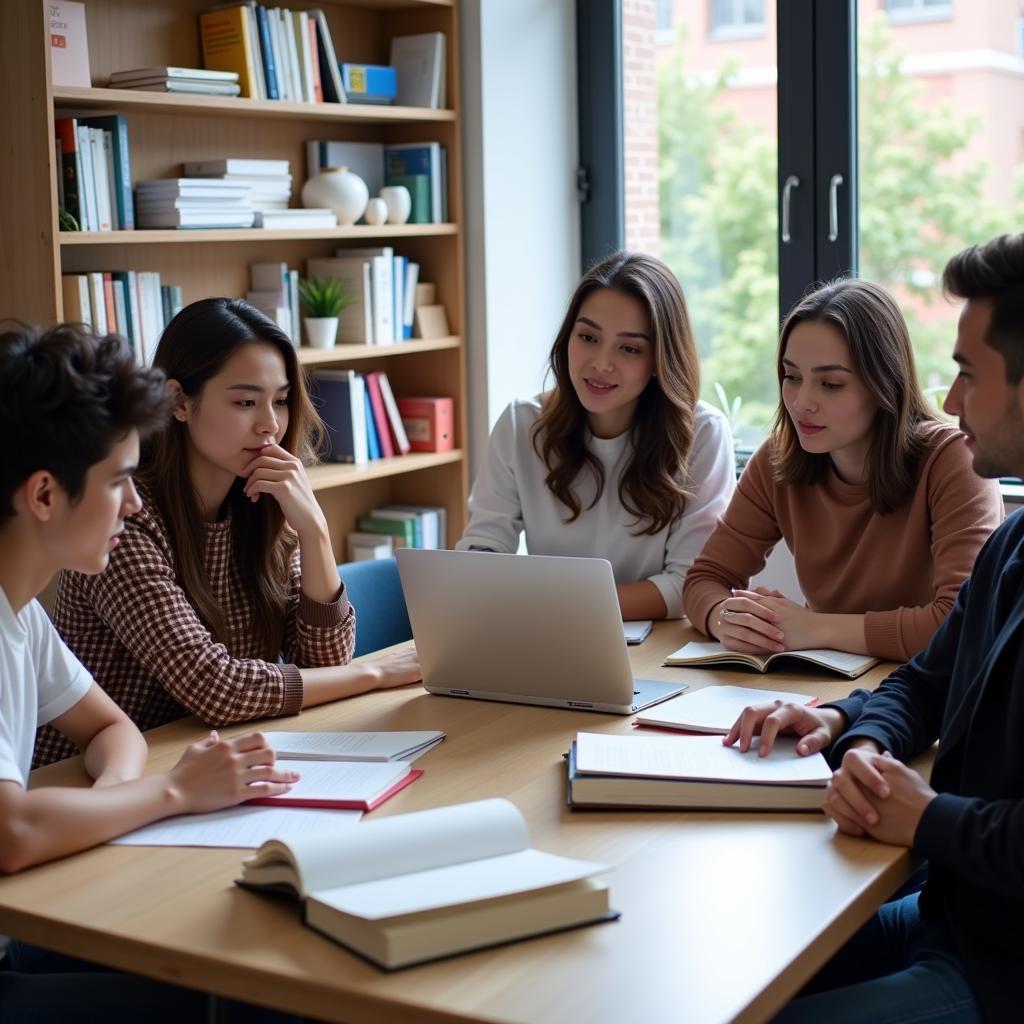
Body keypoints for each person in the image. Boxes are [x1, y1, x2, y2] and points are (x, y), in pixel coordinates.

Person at [725, 233, 1024, 1023]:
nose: (951, 400)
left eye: (967, 374)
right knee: (719, 977)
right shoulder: (1016, 546)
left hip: (1006, 968)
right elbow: (926, 678)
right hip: (953, 919)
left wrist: (924, 815)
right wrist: (843, 727)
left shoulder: (951, 473)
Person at [0, 321, 300, 1020]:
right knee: (254, 996)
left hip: (29, 919)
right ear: (44, 496)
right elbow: (12, 836)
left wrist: (114, 805)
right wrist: (169, 796)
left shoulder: (21, 613)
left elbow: (111, 727)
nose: (134, 506)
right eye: (119, 482)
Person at [36, 298, 419, 767]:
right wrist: (377, 673)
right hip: (88, 774)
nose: (270, 425)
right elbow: (218, 690)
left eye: (279, 400)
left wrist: (315, 531)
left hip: (204, 754)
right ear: (179, 402)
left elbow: (325, 663)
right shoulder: (123, 516)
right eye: (244, 402)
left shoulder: (262, 499)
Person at [683, 278, 1002, 661]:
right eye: (792, 377)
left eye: (830, 384)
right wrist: (728, 618)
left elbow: (962, 624)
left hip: (925, 693)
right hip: (829, 686)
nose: (801, 403)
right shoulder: (777, 459)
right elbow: (704, 579)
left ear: (884, 384)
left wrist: (816, 627)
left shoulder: (953, 460)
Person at [456, 251, 735, 620]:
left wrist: (560, 605)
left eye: (629, 348)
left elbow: (690, 584)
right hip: (546, 637)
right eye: (588, 337)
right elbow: (481, 550)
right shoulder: (521, 423)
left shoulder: (702, 434)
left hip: (654, 649)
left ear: (659, 360)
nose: (601, 363)